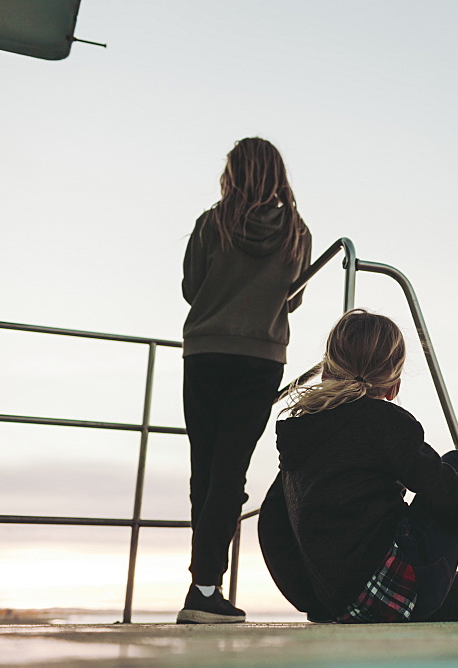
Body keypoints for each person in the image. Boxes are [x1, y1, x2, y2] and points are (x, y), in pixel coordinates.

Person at [258, 309, 458, 623]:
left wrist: (317, 600)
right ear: (393, 386)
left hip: (339, 602)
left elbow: (271, 527)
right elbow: (453, 494)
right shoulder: (384, 424)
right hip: (397, 591)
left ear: (327, 370)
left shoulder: (300, 434)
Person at [177, 137, 312, 624]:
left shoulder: (211, 223)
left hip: (206, 352)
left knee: (206, 470)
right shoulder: (297, 232)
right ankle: (204, 586)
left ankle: (204, 586)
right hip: (259, 359)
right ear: (277, 175)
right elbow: (291, 299)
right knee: (231, 471)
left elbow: (192, 289)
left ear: (232, 174)